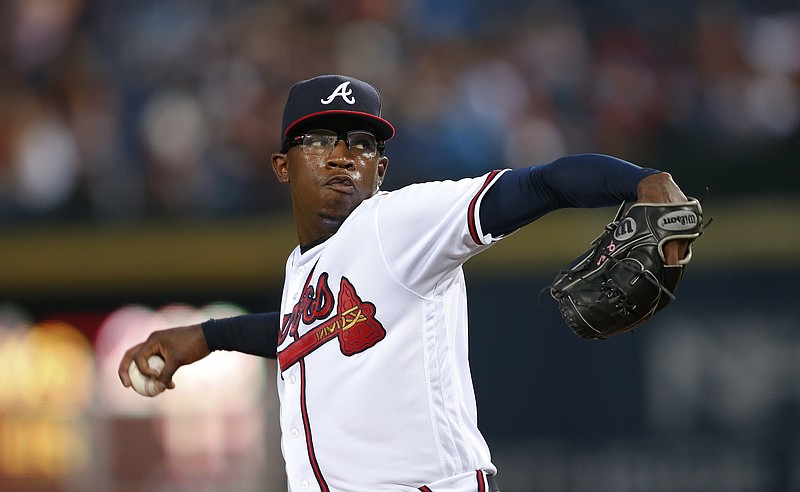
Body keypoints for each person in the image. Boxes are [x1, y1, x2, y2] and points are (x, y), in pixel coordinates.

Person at [118, 74, 692, 492]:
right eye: (320, 139)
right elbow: (303, 334)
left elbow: (539, 185)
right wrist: (209, 336)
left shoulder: (396, 223)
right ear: (282, 165)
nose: (343, 156)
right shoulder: (307, 265)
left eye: (363, 144)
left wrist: (643, 181)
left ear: (381, 170)